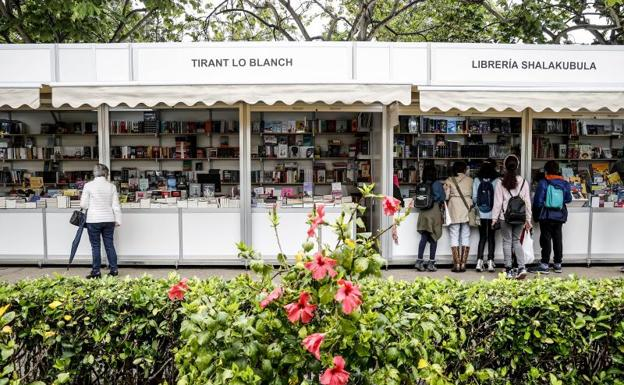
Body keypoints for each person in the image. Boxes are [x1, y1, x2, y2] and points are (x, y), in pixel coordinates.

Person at [492, 155, 532, 279]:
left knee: (507, 241)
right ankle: (521, 267)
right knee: (516, 241)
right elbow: (527, 202)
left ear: (504, 166)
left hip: (505, 217)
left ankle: (508, 269)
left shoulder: (500, 182)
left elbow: (498, 202)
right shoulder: (524, 182)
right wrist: (528, 219)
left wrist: (494, 219)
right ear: (517, 166)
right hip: (520, 216)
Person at [80, 164, 122, 279]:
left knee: (95, 246)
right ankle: (114, 270)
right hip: (109, 219)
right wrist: (118, 220)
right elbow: (116, 206)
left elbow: (83, 204)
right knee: (109, 245)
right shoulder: (111, 187)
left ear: (94, 173)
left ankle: (96, 272)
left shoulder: (88, 186)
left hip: (93, 220)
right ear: (106, 173)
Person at [532, 160, 572, 274]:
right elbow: (568, 199)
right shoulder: (564, 183)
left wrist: (536, 214)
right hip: (559, 215)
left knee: (546, 239)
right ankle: (558, 264)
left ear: (546, 170)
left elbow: (538, 201)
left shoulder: (543, 182)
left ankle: (544, 264)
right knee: (558, 239)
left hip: (546, 215)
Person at [444, 161, 473, 273]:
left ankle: (456, 264)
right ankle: (463, 264)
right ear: (465, 169)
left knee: (454, 234)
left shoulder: (449, 180)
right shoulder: (470, 180)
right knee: (466, 234)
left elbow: (446, 196)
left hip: (454, 207)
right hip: (467, 207)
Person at [415, 165, 446, 272]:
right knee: (434, 236)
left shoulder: (421, 184)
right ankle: (431, 263)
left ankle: (419, 261)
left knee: (424, 236)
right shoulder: (437, 184)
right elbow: (442, 197)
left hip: (423, 212)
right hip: (434, 211)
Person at [472, 159, 499, 273]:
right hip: (493, 213)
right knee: (491, 237)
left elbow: (474, 198)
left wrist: (478, 206)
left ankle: (479, 261)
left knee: (482, 236)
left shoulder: (477, 179)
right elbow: (498, 198)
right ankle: (491, 262)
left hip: (479, 213)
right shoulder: (497, 180)